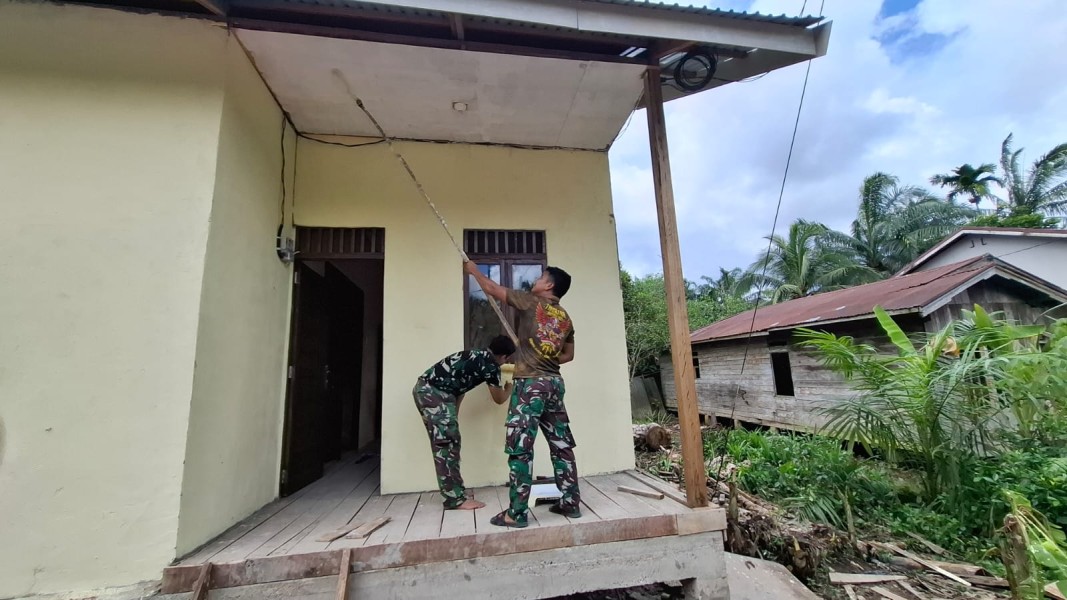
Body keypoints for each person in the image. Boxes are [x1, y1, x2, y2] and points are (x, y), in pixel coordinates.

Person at [464, 260, 579, 528]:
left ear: (549, 285)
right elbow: (569, 355)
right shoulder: (566, 318)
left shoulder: (531, 302)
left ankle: (516, 514)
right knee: (561, 446)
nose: (536, 280)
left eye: (541, 277)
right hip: (554, 384)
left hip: (531, 386)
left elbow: (492, 288)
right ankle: (571, 502)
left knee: (520, 449)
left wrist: (473, 271)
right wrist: (544, 359)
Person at [413, 335, 516, 510]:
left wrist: (453, 416)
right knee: (446, 446)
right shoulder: (490, 365)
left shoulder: (473, 355)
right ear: (505, 357)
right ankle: (454, 499)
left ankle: (456, 493)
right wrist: (509, 388)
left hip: (429, 390)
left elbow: (458, 388)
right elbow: (499, 399)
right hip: (434, 393)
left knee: (451, 440)